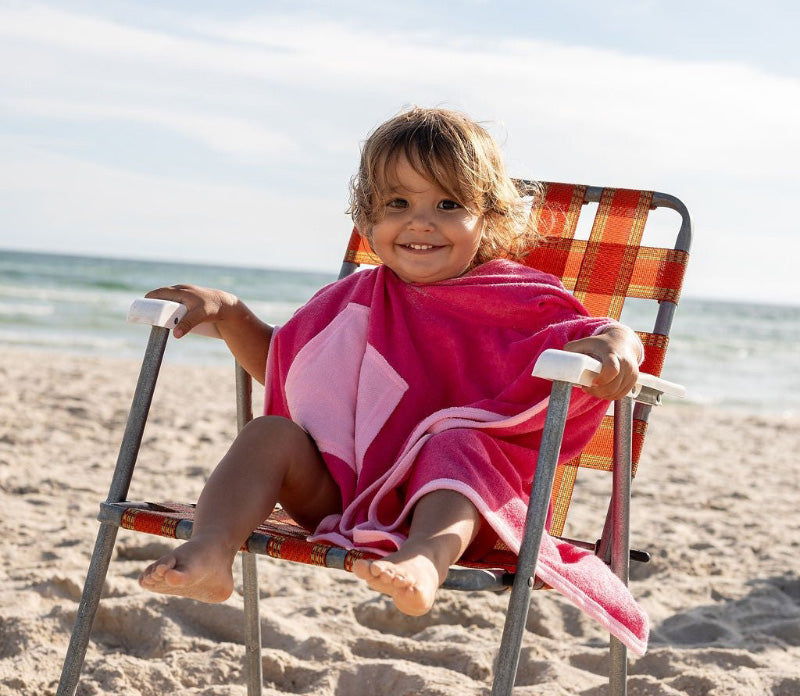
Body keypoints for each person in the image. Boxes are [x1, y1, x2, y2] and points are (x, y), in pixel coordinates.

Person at [139, 107, 642, 618]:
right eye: (397, 203)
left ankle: (423, 562)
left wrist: (618, 345)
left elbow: (595, 331)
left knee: (456, 445)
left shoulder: (514, 297)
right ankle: (211, 550)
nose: (420, 221)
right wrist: (229, 312)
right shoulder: (352, 301)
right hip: (342, 496)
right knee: (269, 432)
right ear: (367, 219)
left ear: (488, 218)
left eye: (448, 204)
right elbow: (288, 369)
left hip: (463, 508)